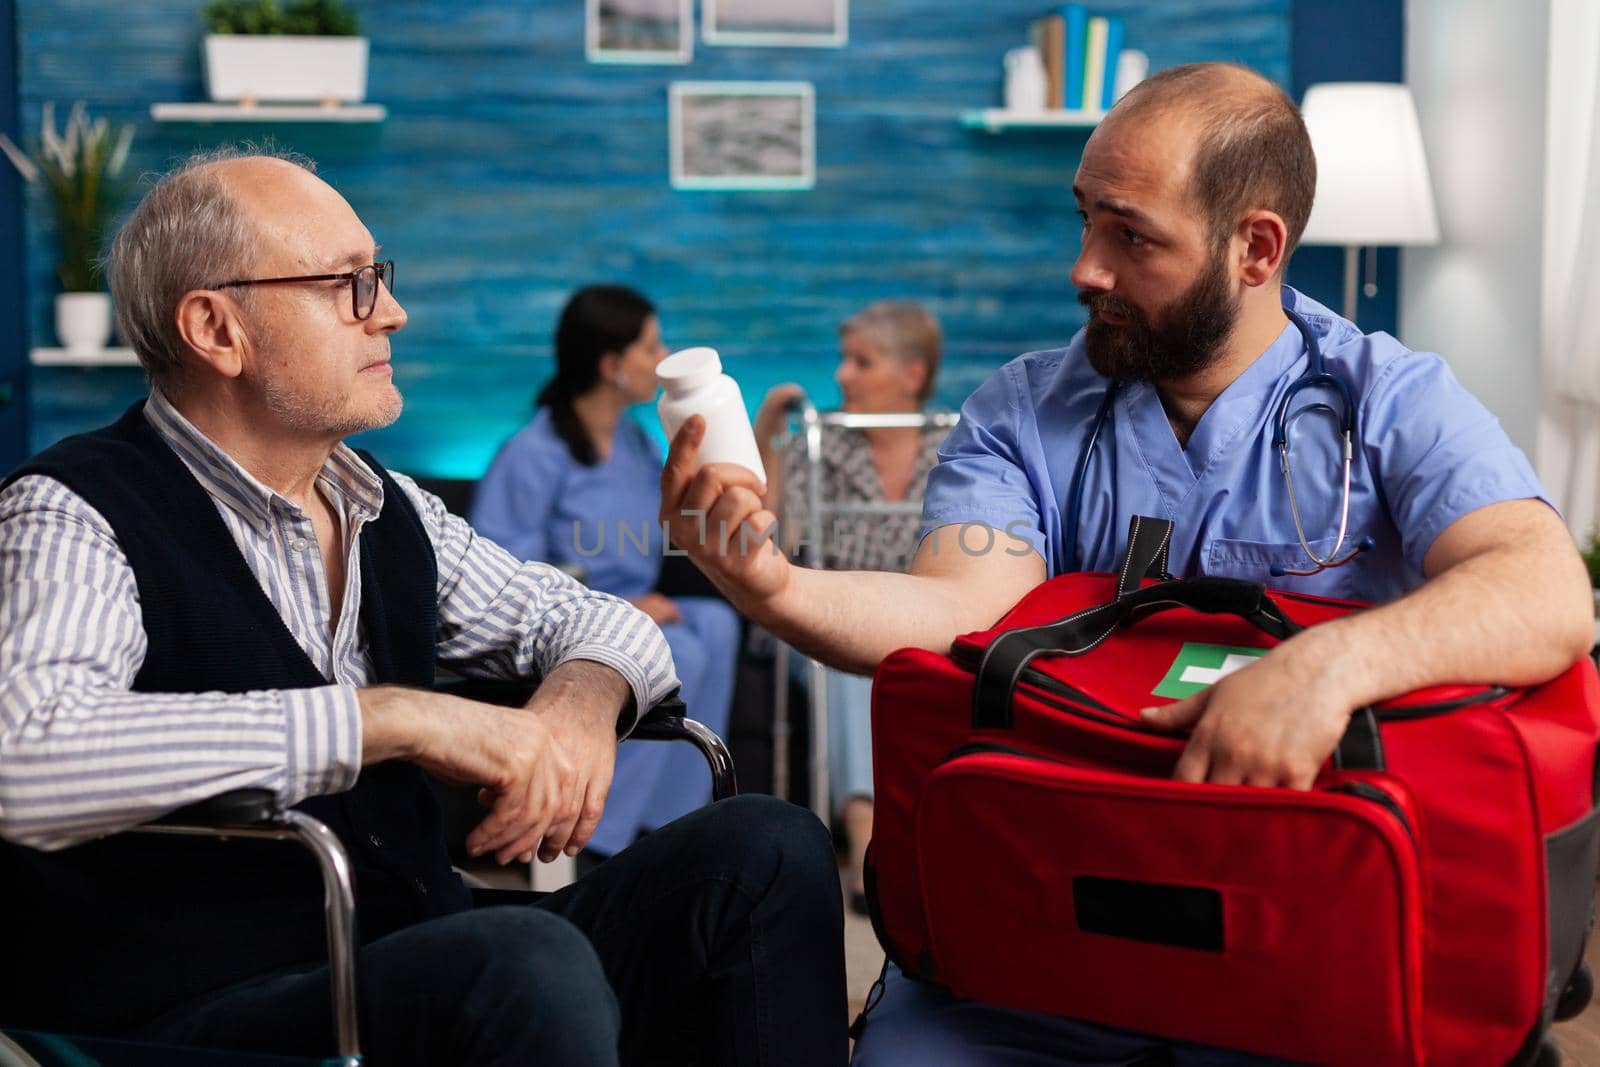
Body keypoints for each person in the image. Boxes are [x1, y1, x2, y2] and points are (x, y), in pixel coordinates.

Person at [658, 62, 1593, 1064]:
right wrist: (775, 585)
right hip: (1062, 923)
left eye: (1131, 235)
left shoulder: (1392, 401)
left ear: (1255, 248)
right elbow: (962, 608)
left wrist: (1324, 667)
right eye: (1085, 221)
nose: (1085, 268)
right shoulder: (1022, 410)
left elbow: (1546, 592)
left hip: (1308, 935)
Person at [0, 147, 848, 1067]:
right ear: (217, 329)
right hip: (199, 1007)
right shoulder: (69, 511)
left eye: (381, 279)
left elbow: (600, 620)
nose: (392, 311)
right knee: (523, 959)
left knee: (767, 847)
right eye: (349, 285)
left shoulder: (385, 505)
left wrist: (575, 710)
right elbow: (27, 755)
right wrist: (394, 718)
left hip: (402, 956)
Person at [469, 284, 740, 864]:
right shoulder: (532, 454)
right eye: (650, 345)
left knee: (716, 624)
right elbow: (499, 574)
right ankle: (601, 841)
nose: (661, 356)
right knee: (679, 653)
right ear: (613, 365)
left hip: (635, 606)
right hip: (562, 622)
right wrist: (625, 610)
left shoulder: (640, 444)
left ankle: (680, 827)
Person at [751, 300, 947, 910]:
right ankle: (868, 843)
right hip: (832, 610)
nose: (841, 375)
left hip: (927, 615)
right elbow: (772, 540)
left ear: (911, 375)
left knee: (895, 642)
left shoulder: (960, 444)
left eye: (861, 362)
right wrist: (768, 440)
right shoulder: (823, 444)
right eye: (844, 360)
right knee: (856, 647)